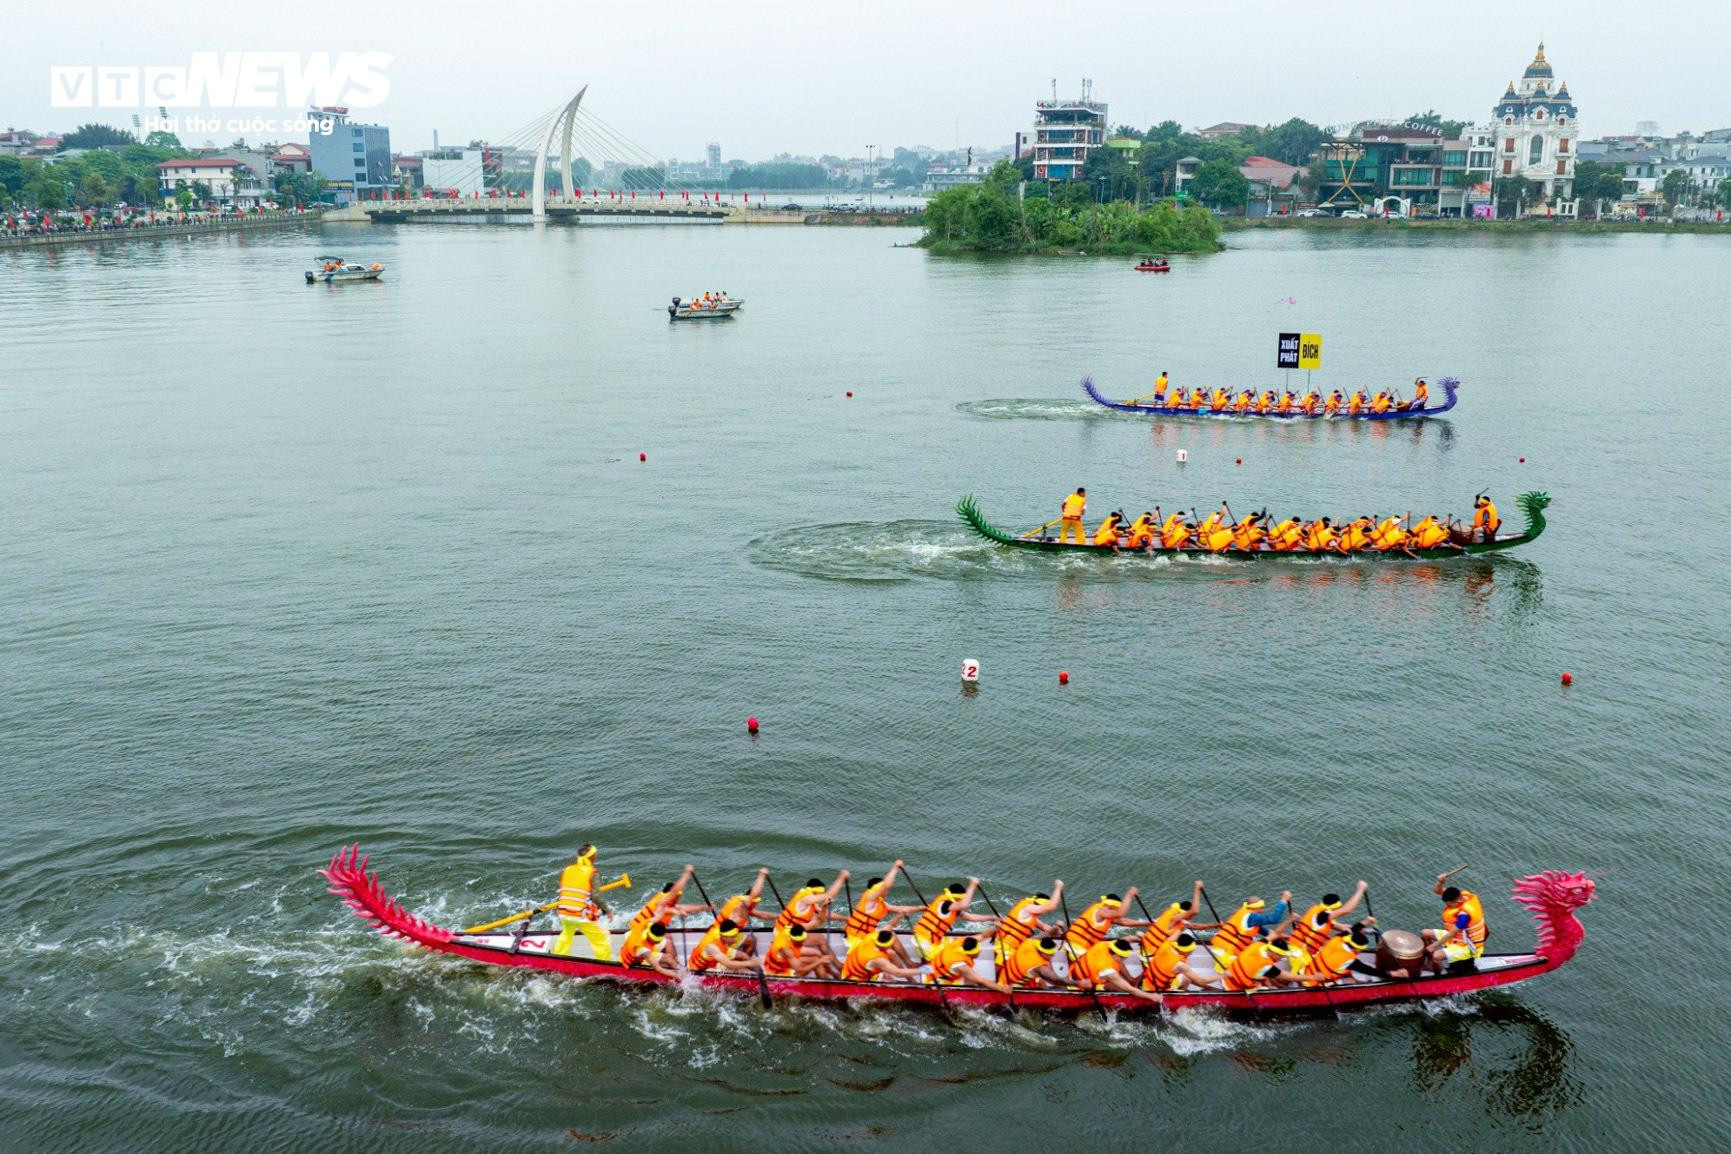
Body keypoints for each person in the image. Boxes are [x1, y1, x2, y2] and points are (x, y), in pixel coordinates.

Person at [774, 871, 850, 967]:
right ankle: (836, 966)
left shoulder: (811, 901)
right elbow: (829, 895)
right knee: (819, 940)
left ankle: (838, 965)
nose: (819, 896)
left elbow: (824, 913)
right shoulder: (806, 898)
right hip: (784, 935)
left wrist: (844, 918)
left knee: (820, 939)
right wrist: (841, 878)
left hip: (794, 930)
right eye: (819, 893)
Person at [843, 861, 923, 951]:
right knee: (888, 935)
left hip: (865, 936)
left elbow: (900, 909)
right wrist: (895, 867)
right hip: (856, 939)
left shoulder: (880, 903)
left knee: (891, 936)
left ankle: (909, 963)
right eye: (882, 890)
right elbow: (886, 886)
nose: (886, 892)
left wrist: (920, 908)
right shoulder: (869, 898)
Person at [551, 844, 613, 960]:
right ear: (591, 857)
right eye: (594, 855)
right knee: (602, 939)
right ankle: (605, 964)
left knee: (566, 935)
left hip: (564, 912)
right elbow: (596, 896)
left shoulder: (568, 870)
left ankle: (557, 958)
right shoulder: (592, 872)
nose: (595, 857)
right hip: (580, 914)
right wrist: (607, 910)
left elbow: (565, 891)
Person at [1424, 867, 1488, 968]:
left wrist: (1433, 946)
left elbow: (1451, 933)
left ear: (1457, 902)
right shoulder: (1461, 895)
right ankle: (1430, 964)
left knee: (1436, 955)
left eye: (1449, 905)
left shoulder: (1464, 915)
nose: (1448, 907)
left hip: (1468, 946)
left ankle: (1437, 971)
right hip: (1458, 937)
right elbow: (1437, 890)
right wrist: (1440, 882)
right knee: (1425, 933)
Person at [991, 883, 1066, 967]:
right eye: (1042, 907)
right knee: (1001, 970)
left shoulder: (1028, 910)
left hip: (1007, 942)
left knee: (1042, 935)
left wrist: (1058, 931)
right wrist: (1058, 887)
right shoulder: (1028, 908)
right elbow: (1051, 907)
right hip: (1006, 946)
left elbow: (1044, 927)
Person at [913, 879, 987, 962]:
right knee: (953, 956)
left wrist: (992, 917)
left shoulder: (952, 907)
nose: (960, 901)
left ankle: (930, 961)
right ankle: (931, 965)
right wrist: (973, 884)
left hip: (929, 939)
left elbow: (972, 917)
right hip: (922, 941)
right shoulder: (946, 904)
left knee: (956, 944)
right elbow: (964, 904)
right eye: (959, 899)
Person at [1068, 938, 1162, 1004]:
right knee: (1119, 988)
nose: (1124, 960)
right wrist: (1152, 996)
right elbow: (1130, 989)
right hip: (1079, 986)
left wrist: (1138, 939)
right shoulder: (1108, 971)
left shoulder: (1104, 944)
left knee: (1120, 973)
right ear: (1117, 955)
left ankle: (1131, 980)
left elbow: (1125, 939)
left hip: (1073, 971)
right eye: (1124, 958)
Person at [1288, 882, 1369, 956]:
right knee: (1338, 944)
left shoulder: (1317, 910)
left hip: (1294, 947)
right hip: (1301, 953)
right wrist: (1360, 890)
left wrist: (1358, 928)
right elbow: (1346, 910)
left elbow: (1338, 926)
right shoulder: (1322, 916)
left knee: (1334, 939)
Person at [1210, 891, 1292, 960]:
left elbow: (1268, 933)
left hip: (1218, 946)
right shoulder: (1252, 917)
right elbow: (1274, 919)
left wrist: (1290, 938)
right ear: (1255, 908)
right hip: (1226, 953)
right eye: (1261, 908)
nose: (1262, 911)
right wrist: (1284, 900)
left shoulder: (1242, 913)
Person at [627, 866, 701, 938]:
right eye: (676, 895)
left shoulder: (665, 901)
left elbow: (684, 908)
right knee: (667, 938)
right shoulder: (662, 901)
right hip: (638, 931)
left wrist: (705, 907)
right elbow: (675, 893)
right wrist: (686, 873)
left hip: (640, 929)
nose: (677, 897)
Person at [712, 867, 771, 957]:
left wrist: (780, 916)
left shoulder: (743, 906)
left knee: (752, 940)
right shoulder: (741, 907)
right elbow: (755, 894)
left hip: (727, 934)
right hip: (722, 938)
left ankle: (742, 960)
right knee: (748, 949)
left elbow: (763, 915)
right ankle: (743, 962)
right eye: (756, 901)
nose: (756, 903)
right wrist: (761, 876)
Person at [1141, 931, 1222, 992]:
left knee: (1186, 977)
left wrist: (1208, 988)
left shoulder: (1166, 944)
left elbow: (1177, 931)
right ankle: (1182, 994)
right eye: (1192, 949)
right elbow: (1201, 980)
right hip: (1159, 991)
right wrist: (1223, 975)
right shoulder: (1180, 965)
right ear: (1187, 950)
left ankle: (1202, 988)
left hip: (1147, 983)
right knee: (1187, 978)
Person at [1065, 889, 1138, 957]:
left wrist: (1145, 923)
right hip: (1078, 948)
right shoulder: (1102, 911)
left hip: (1071, 942)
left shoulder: (1102, 911)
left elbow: (1125, 921)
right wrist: (1129, 895)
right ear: (1113, 905)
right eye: (1118, 907)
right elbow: (1121, 914)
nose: (1118, 909)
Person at [927, 935, 1011, 993]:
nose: (980, 951)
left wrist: (995, 929)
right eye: (978, 950)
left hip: (936, 969)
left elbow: (982, 935)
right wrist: (1003, 989)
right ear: (972, 953)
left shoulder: (961, 942)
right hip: (936, 981)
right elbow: (981, 981)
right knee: (974, 981)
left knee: (972, 979)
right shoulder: (960, 965)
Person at [1296, 928, 1379, 985]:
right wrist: (1390, 974)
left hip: (1305, 972)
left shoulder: (1337, 939)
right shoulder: (1349, 960)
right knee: (1350, 980)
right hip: (1314, 983)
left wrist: (1363, 926)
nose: (1360, 951)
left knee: (1346, 970)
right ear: (1356, 948)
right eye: (1361, 949)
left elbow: (1348, 931)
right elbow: (1370, 971)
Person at [841, 928, 927, 982]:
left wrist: (899, 916)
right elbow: (898, 973)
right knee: (893, 982)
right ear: (888, 944)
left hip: (862, 966)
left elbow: (888, 930)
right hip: (856, 980)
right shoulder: (878, 960)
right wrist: (924, 970)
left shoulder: (872, 936)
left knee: (891, 952)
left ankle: (910, 972)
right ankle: (908, 981)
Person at [1221, 936, 1303, 991]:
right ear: (1274, 952)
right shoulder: (1266, 966)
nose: (1281, 959)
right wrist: (1313, 977)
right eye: (1281, 956)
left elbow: (1263, 974)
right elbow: (1288, 976)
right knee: (1270, 988)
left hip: (1227, 976)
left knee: (1270, 981)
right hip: (1234, 988)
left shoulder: (1258, 945)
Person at [764, 923, 840, 978]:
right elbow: (800, 972)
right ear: (794, 940)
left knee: (817, 956)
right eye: (801, 942)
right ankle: (826, 985)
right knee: (817, 962)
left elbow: (817, 922)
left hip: (786, 961)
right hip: (780, 971)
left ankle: (831, 975)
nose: (803, 943)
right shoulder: (786, 950)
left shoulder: (788, 930)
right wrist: (819, 962)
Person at [688, 918, 762, 974]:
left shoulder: (720, 931)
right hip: (699, 970)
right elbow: (729, 964)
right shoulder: (712, 947)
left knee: (744, 956)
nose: (735, 940)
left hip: (716, 955)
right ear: (725, 937)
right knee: (740, 970)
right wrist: (751, 963)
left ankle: (761, 974)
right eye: (733, 937)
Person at [1001, 935, 1076, 989]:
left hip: (1005, 975)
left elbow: (1043, 935)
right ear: (1043, 953)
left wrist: (1054, 931)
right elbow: (1055, 980)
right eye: (1051, 954)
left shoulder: (1029, 942)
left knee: (1040, 980)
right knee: (1057, 984)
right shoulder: (1037, 966)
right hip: (1012, 987)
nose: (1053, 956)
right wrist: (1079, 983)